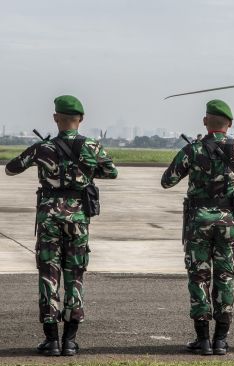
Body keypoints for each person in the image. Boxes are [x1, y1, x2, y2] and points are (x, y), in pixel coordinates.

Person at [5, 95, 118, 356]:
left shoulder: (42, 147)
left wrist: (41, 159)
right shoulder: (92, 146)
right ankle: (70, 340)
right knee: (75, 274)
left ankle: (51, 340)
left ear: (56, 118)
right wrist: (85, 173)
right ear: (81, 119)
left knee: (48, 273)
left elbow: (11, 169)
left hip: (49, 217)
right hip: (78, 218)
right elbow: (111, 171)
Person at [161, 100, 234, 356]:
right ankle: (221, 339)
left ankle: (203, 339)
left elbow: (168, 180)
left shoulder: (193, 149)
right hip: (227, 221)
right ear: (229, 124)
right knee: (225, 277)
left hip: (199, 221)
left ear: (205, 121)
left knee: (199, 277)